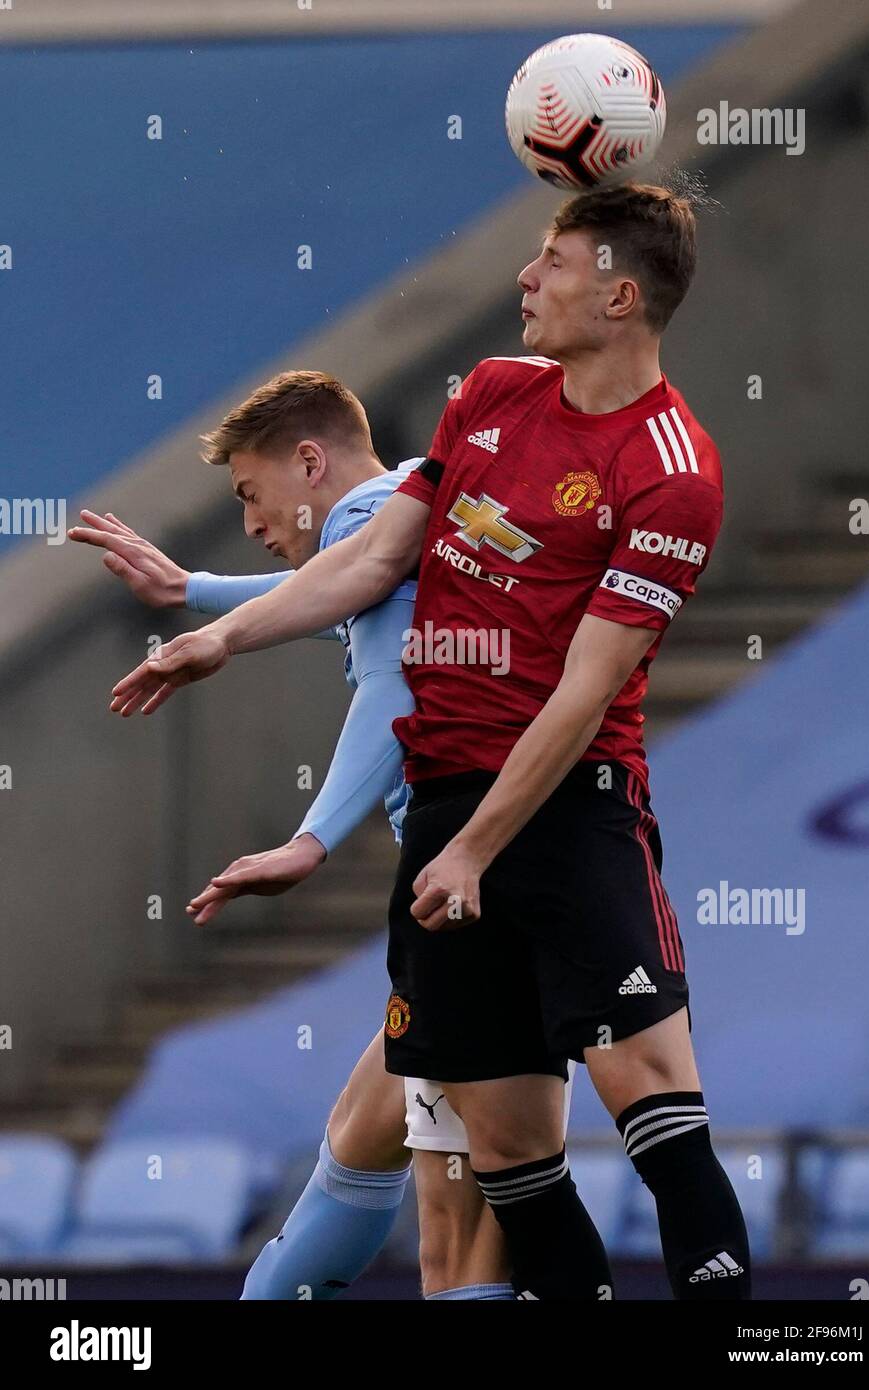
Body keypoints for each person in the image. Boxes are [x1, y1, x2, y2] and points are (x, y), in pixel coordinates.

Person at [108, 183, 751, 1301]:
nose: (524, 278)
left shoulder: (674, 470)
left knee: (653, 1104)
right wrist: (219, 641)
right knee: (508, 1154)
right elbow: (368, 564)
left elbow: (586, 691)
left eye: (552, 261)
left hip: (566, 810)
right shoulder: (493, 395)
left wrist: (472, 849)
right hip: (448, 813)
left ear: (620, 295)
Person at [71, 370, 531, 1301]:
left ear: (309, 461)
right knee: (379, 1154)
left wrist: (312, 839)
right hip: (498, 885)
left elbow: (392, 676)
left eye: (250, 493)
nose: (250, 521)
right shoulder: (426, 513)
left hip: (478, 895)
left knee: (460, 1233)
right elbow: (349, 602)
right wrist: (193, 589)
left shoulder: (370, 514)